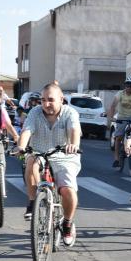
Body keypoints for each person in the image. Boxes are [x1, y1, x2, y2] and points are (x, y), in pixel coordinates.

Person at [15, 82, 81, 246]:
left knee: (67, 190)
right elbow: (27, 131)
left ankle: (67, 223)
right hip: (40, 153)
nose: (46, 104)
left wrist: (73, 145)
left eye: (50, 100)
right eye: (43, 100)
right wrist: (21, 147)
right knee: (30, 161)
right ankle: (32, 203)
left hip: (65, 156)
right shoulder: (35, 112)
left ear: (61, 99)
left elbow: (74, 131)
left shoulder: (70, 113)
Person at [107, 76, 131, 168]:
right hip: (122, 117)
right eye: (127, 85)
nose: (129, 88)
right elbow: (113, 106)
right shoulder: (120, 94)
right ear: (125, 86)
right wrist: (112, 117)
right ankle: (116, 159)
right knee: (119, 137)